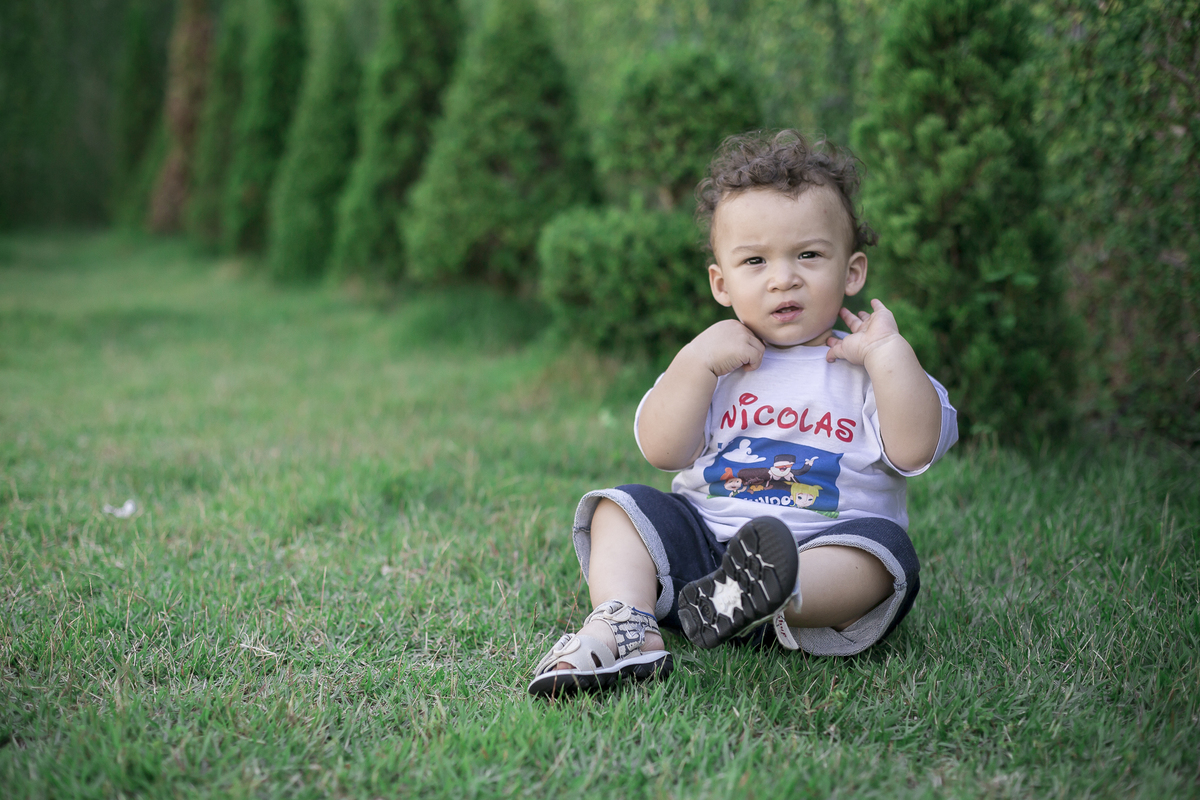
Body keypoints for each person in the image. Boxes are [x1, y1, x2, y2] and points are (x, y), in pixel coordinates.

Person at [528, 129, 958, 698]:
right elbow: (662, 450)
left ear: (852, 272)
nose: (784, 277)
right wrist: (694, 364)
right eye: (756, 261)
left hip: (814, 559)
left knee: (884, 551)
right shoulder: (717, 362)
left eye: (808, 254)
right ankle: (623, 620)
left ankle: (778, 595)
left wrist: (887, 354)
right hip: (704, 553)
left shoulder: (866, 368)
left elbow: (914, 448)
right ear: (721, 282)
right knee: (622, 508)